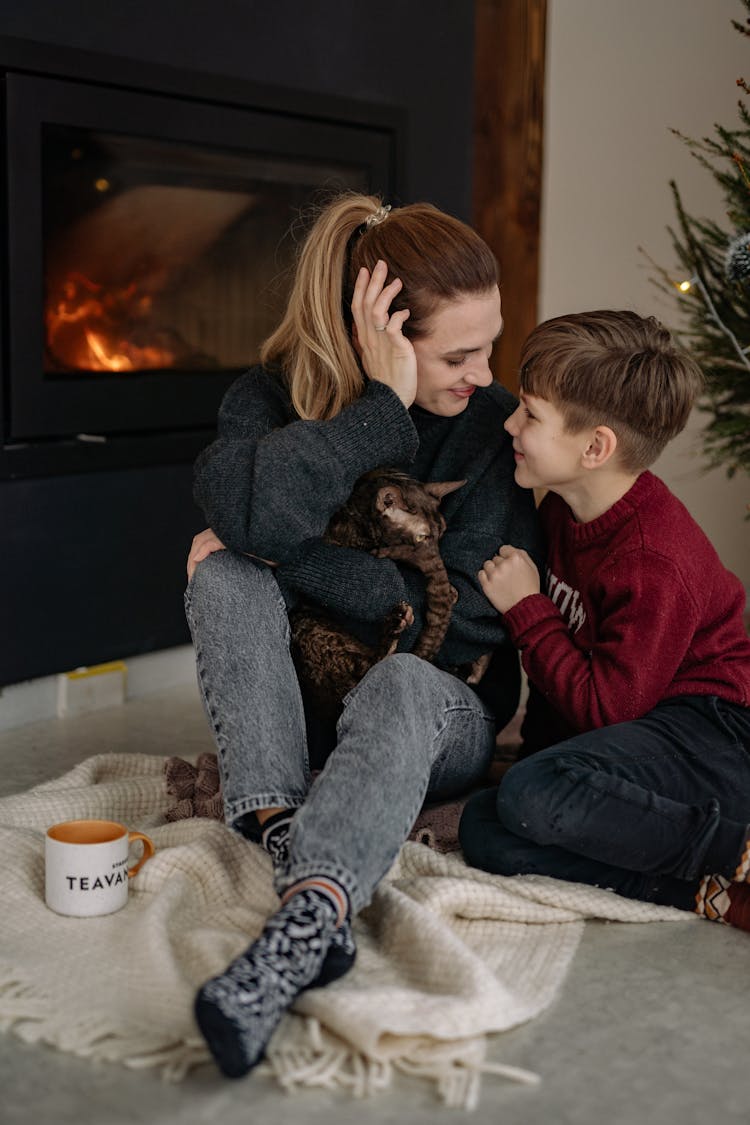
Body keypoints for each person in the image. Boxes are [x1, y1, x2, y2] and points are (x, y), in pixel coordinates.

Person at [184, 191, 541, 1077]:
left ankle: (306, 914)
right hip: (305, 720)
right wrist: (379, 409)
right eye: (457, 353)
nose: (483, 373)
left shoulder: (491, 431)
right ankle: (285, 842)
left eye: (489, 343)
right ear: (377, 337)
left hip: (436, 718)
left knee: (396, 678)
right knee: (224, 573)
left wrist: (289, 561)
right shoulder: (267, 399)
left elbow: (440, 622)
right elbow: (253, 519)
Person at [458, 309, 750, 934]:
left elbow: (608, 708)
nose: (509, 422)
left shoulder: (652, 558)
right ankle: (706, 892)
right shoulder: (567, 509)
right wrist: (543, 755)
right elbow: (571, 692)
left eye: (530, 414)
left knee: (534, 794)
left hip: (716, 732)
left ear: (595, 448)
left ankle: (736, 847)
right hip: (651, 728)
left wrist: (526, 609)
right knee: (485, 826)